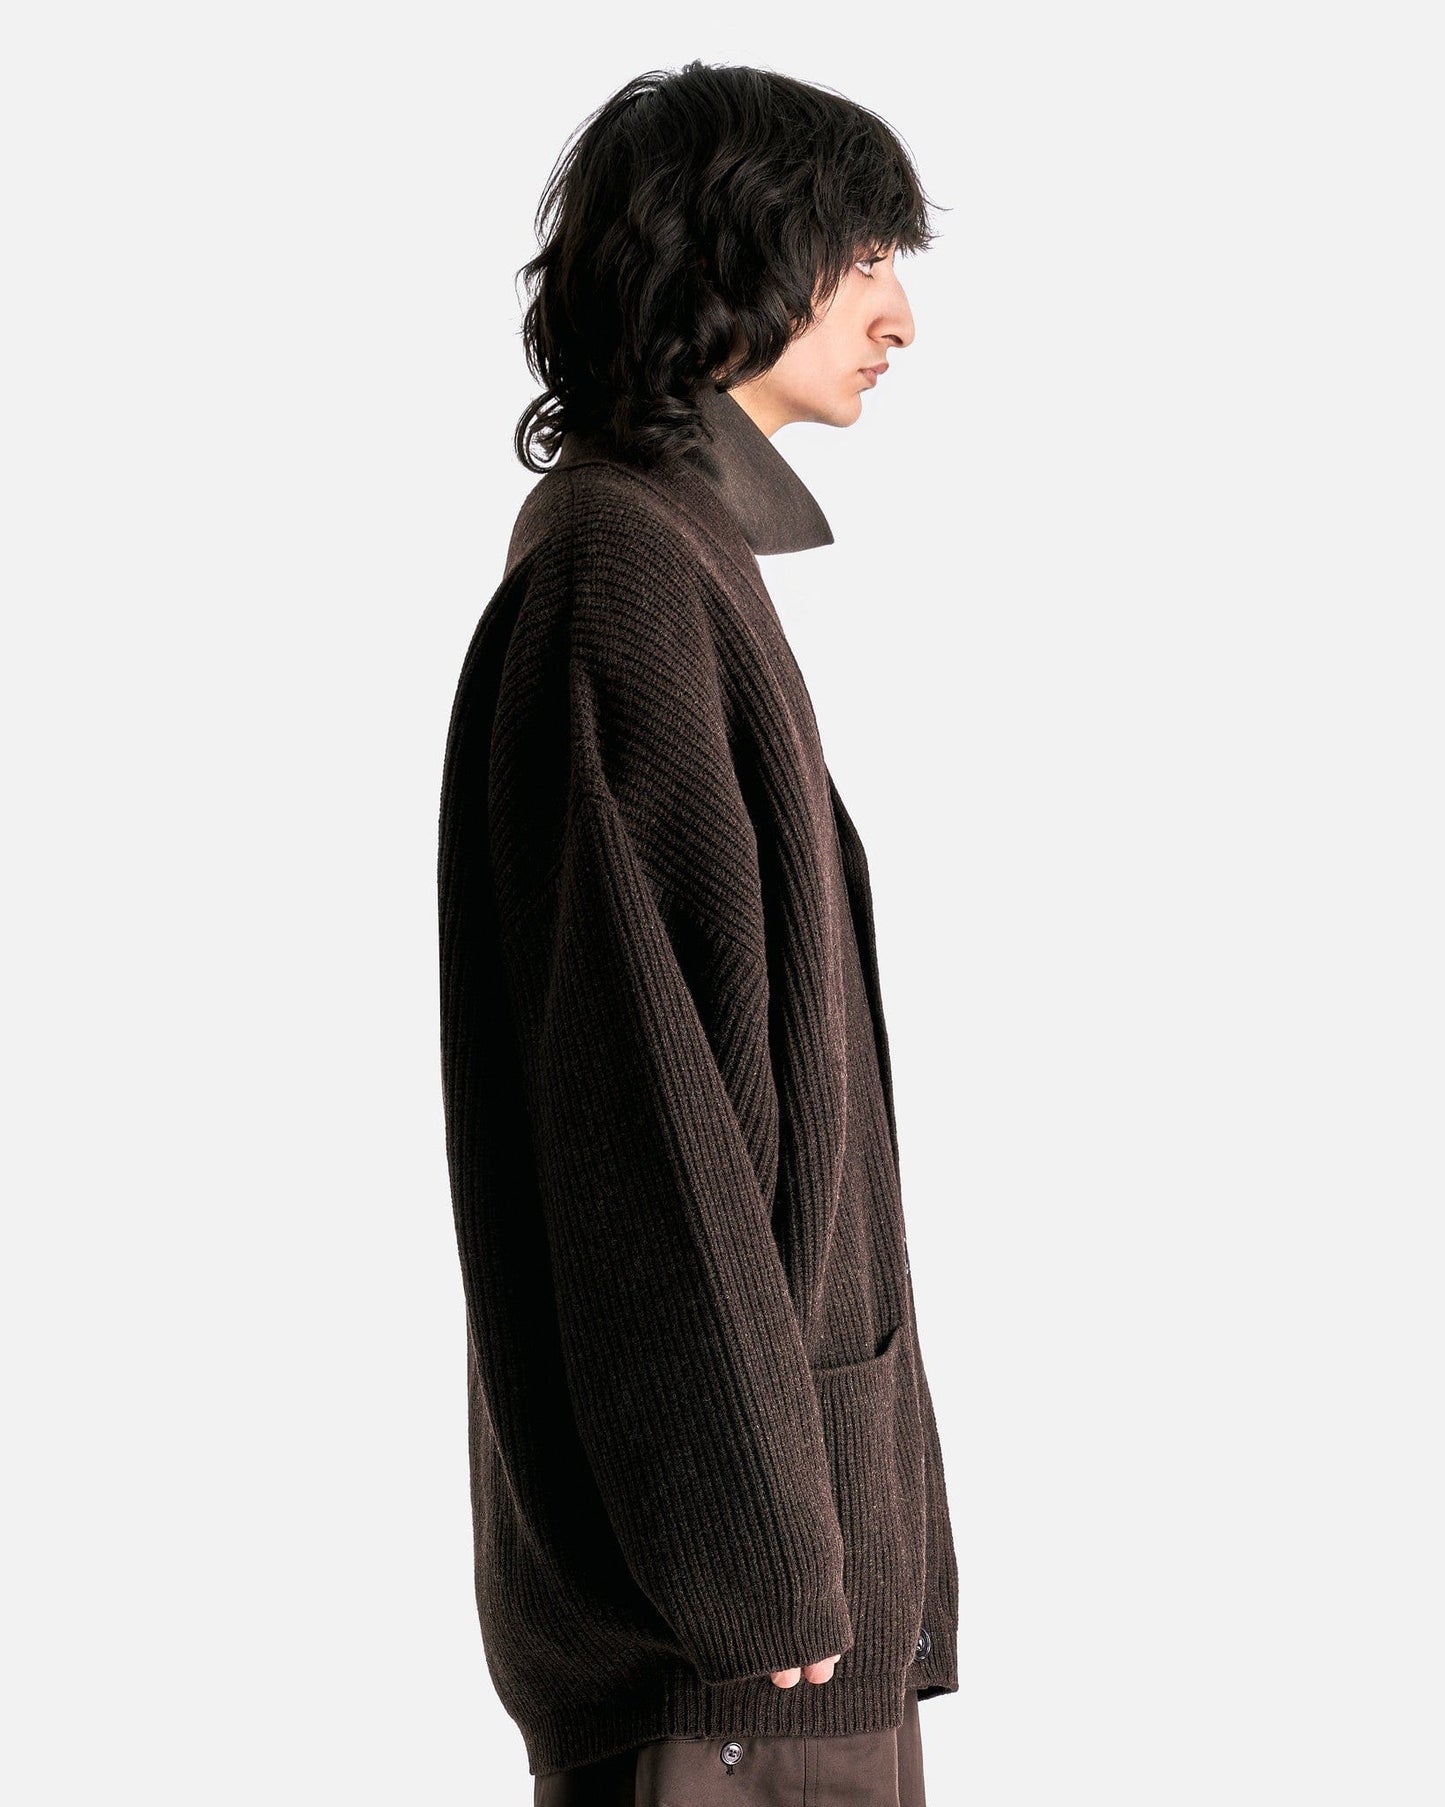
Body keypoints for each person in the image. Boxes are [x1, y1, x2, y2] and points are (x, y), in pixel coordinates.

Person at [436, 61, 958, 1804]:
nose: (898, 314)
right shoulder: (622, 576)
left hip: (773, 1594)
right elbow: (635, 1120)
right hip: (726, 1632)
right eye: (864, 254)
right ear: (737, 253)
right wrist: (748, 1552)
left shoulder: (674, 560)